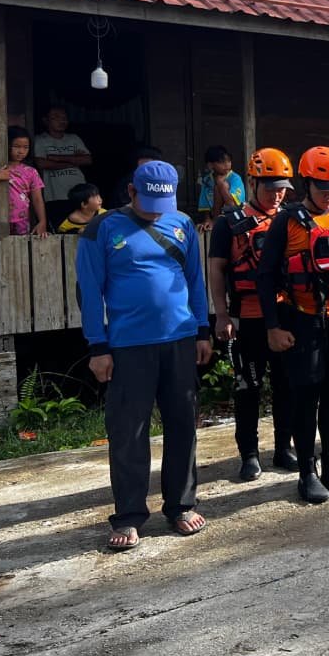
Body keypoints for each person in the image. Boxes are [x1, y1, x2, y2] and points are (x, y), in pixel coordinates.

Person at [75, 160, 211, 550]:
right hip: (127, 346)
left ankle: (181, 504)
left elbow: (195, 282)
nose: (155, 210)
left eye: (162, 202)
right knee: (129, 431)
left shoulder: (182, 224)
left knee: (183, 424)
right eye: (148, 200)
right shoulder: (101, 229)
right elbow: (89, 290)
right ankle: (130, 514)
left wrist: (202, 330)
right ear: (131, 191)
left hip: (180, 340)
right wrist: (97, 346)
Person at [256, 147, 329, 504]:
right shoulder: (287, 221)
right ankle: (307, 473)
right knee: (306, 398)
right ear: (307, 184)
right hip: (303, 321)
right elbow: (265, 276)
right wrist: (273, 327)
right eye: (324, 187)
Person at [208, 147, 297, 481]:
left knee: (286, 385)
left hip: (285, 315)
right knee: (248, 387)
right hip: (246, 316)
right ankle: (249, 454)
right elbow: (217, 271)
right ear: (253, 182)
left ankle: (284, 448)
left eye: (282, 187)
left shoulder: (290, 219)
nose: (278, 194)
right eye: (270, 186)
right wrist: (221, 314)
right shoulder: (229, 223)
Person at [0, 126, 47, 253]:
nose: (21, 151)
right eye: (16, 146)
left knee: (20, 256)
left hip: (22, 222)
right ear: (5, 145)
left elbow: (37, 199)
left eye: (25, 147)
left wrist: (42, 221)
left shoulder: (31, 172)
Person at [33, 105, 91, 219]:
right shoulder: (40, 139)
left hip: (79, 192)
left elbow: (87, 159)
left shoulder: (74, 138)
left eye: (64, 117)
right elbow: (42, 163)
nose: (62, 120)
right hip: (55, 194)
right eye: (56, 117)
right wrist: (73, 160)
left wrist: (57, 158)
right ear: (46, 120)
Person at [198, 144, 245, 226]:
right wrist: (207, 219)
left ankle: (216, 222)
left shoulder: (235, 178)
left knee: (221, 186)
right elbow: (204, 205)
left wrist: (221, 185)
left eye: (229, 161)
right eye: (221, 162)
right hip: (215, 217)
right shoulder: (207, 180)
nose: (227, 164)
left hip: (235, 217)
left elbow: (233, 205)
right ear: (210, 165)